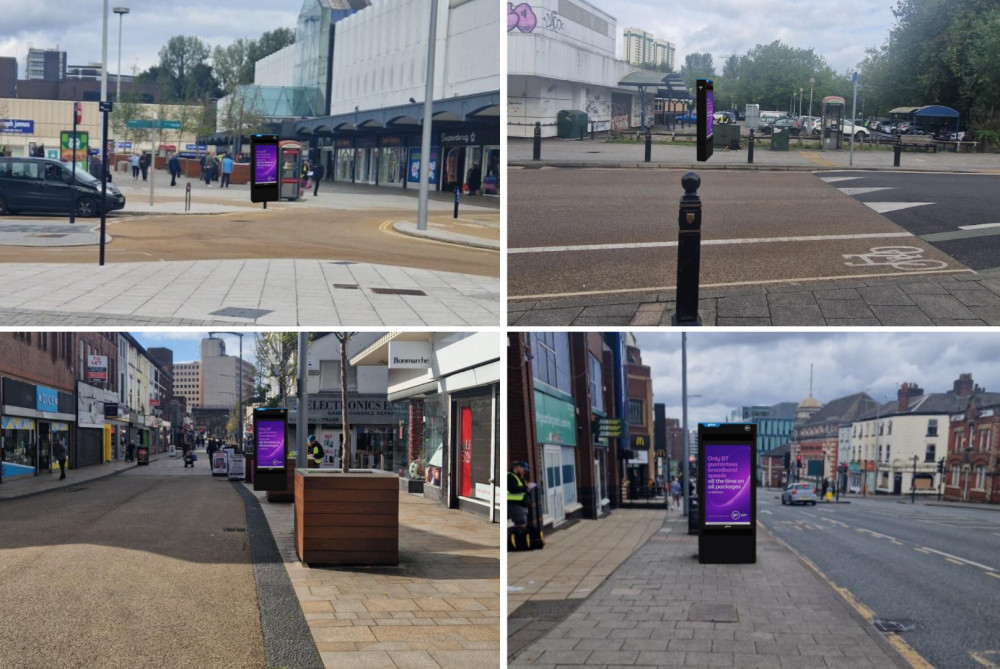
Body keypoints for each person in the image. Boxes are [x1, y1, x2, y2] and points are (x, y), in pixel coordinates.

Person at [507, 461, 533, 528]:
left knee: (522, 524)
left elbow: (524, 490)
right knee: (520, 525)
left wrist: (528, 488)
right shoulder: (510, 476)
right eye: (523, 469)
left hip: (522, 504)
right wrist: (526, 487)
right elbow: (513, 490)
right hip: (515, 505)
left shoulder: (520, 477)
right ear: (518, 467)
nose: (525, 471)